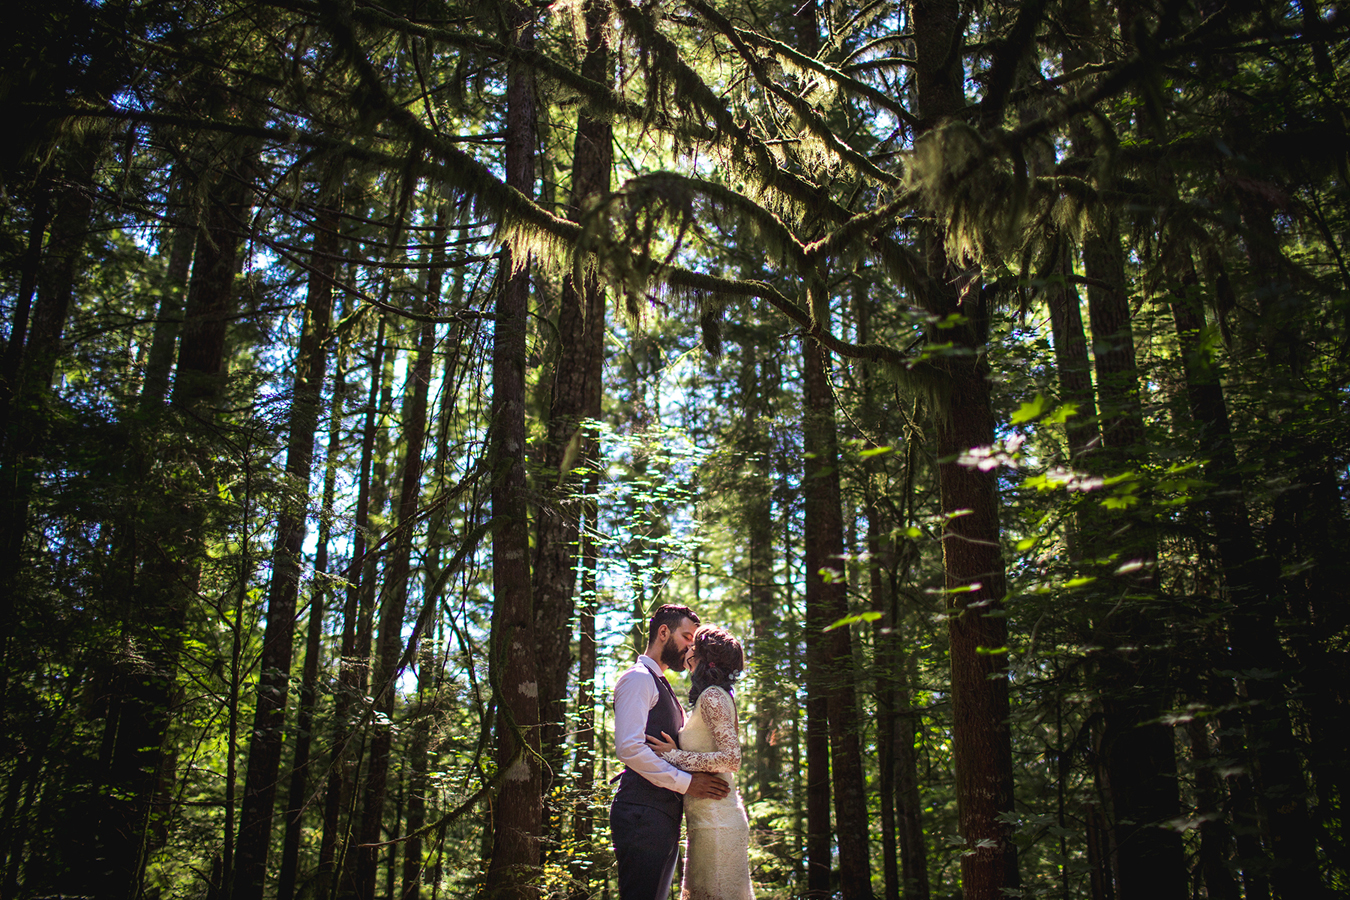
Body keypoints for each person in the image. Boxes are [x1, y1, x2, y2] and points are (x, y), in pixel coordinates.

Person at [611, 605, 731, 900]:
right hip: (641, 812)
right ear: (663, 632)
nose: (692, 647)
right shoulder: (638, 679)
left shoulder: (661, 685)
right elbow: (629, 747)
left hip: (661, 814)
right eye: (687, 636)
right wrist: (688, 783)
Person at [646, 625, 754, 900]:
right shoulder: (713, 696)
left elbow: (732, 758)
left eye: (694, 645)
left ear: (704, 656)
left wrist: (673, 755)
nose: (687, 649)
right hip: (705, 820)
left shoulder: (713, 697)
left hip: (717, 822)